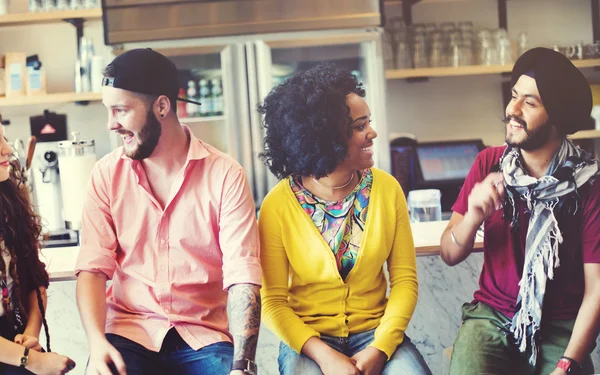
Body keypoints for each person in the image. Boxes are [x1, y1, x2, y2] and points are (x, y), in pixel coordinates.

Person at [75, 49, 262, 375]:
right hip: (128, 332)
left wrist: (242, 367)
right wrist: (95, 342)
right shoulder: (106, 174)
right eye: (109, 111)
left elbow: (242, 277)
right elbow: (92, 269)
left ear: (162, 106)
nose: (111, 124)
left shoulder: (225, 174)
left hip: (204, 338)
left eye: (120, 110)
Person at [257, 64, 432, 375]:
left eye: (369, 122)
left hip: (376, 332)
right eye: (359, 126)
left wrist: (381, 346)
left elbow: (404, 282)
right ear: (326, 137)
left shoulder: (387, 190)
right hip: (310, 340)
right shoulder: (277, 205)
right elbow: (271, 301)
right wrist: (324, 356)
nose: (372, 133)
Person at [440, 47, 600, 375]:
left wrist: (567, 365)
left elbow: (597, 290)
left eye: (529, 102)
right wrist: (472, 216)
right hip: (490, 318)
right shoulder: (488, 163)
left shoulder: (590, 183)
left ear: (557, 116)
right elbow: (450, 253)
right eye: (514, 96)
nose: (512, 109)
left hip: (560, 325)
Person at [0, 123, 76, 375]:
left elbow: (34, 281)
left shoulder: (9, 206)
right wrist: (33, 361)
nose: (7, 149)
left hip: (11, 337)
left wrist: (30, 334)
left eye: (4, 138)